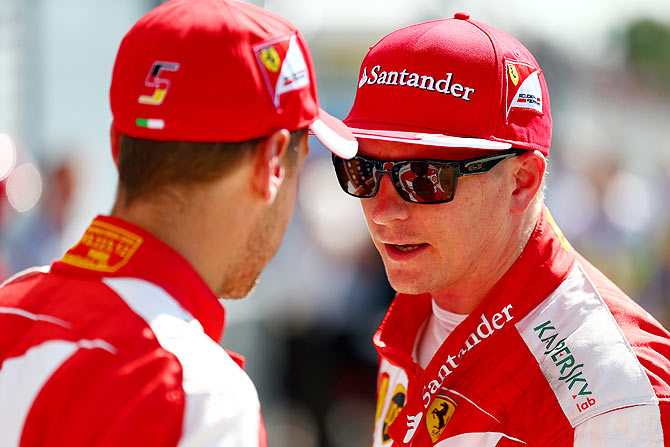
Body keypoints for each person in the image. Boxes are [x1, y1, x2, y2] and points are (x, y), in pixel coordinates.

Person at [0, 0, 356, 445]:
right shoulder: (200, 398)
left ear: (117, 146)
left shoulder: (10, 307)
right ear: (273, 164)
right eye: (299, 164)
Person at [332, 13, 670, 446]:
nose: (382, 211)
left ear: (521, 181)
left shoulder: (613, 396)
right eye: (361, 170)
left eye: (423, 178)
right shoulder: (420, 303)